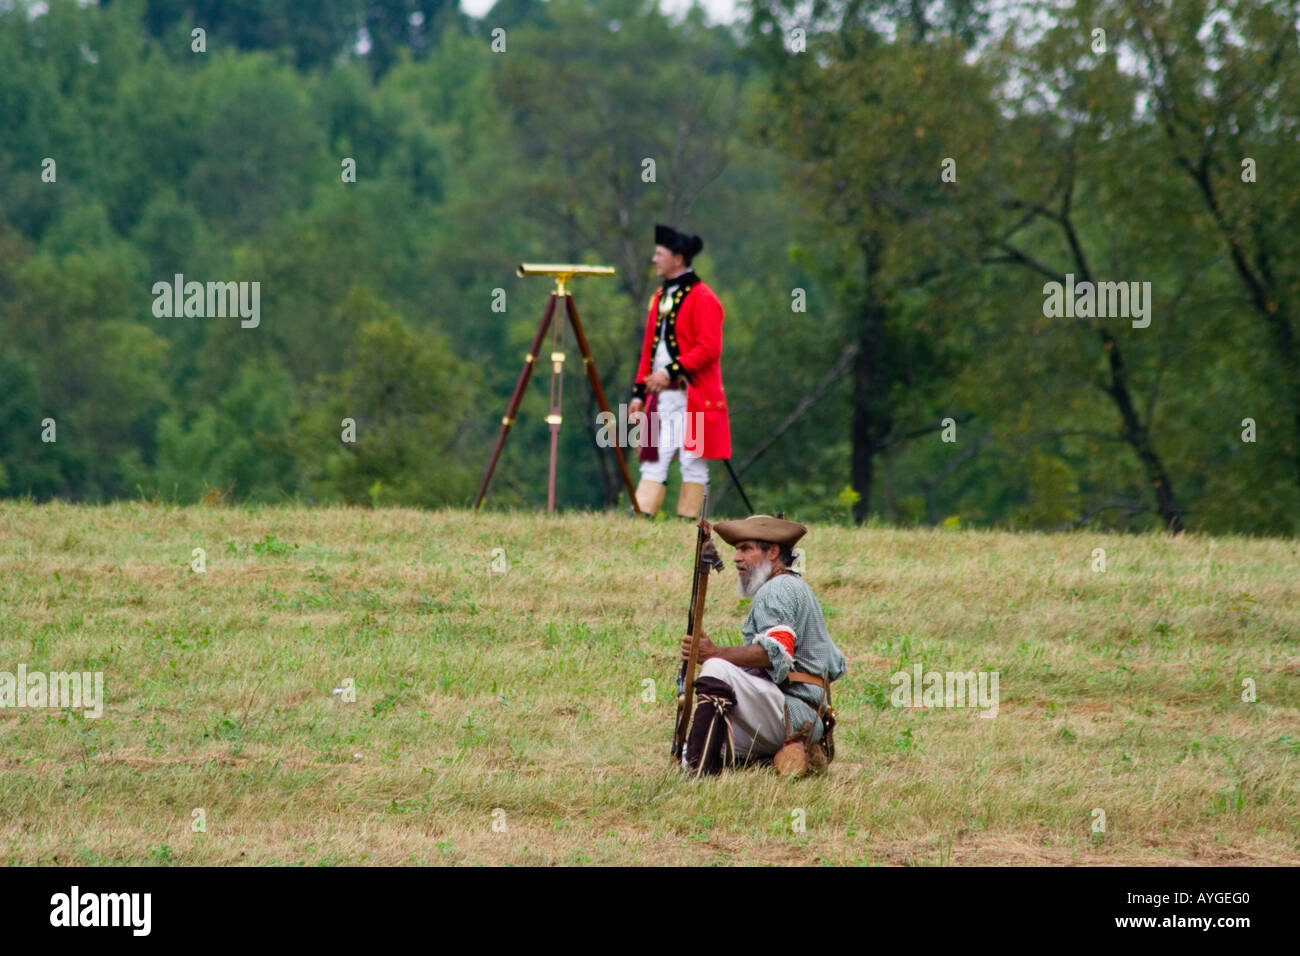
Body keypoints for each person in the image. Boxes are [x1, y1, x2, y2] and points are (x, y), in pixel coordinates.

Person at [679, 514, 848, 775]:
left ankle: (697, 774)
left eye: (746, 548)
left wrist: (713, 653)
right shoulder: (791, 585)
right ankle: (766, 762)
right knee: (690, 748)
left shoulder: (777, 588)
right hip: (800, 717)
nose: (736, 557)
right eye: (736, 550)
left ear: (773, 553)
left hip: (793, 713)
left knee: (717, 668)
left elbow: (775, 653)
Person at [629, 223, 731, 518]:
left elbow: (710, 348)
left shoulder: (704, 298)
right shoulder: (660, 296)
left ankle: (690, 525)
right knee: (652, 460)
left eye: (659, 254)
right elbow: (649, 349)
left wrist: (671, 371)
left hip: (692, 398)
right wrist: (639, 391)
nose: (654, 259)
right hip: (660, 397)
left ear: (678, 258)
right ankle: (641, 517)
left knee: (693, 461)